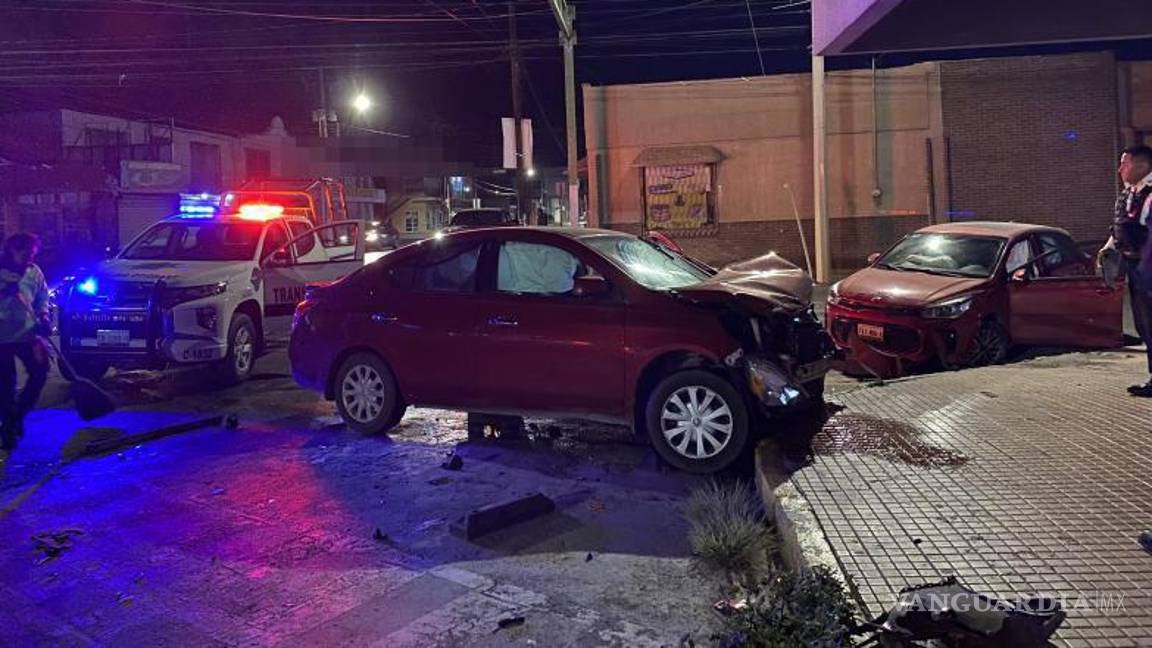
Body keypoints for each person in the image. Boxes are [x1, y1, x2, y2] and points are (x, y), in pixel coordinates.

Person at [1100, 146, 1152, 397]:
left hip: (1149, 265)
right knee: (1145, 324)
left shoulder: (1150, 194)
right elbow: (1120, 226)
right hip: (1135, 267)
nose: (1120, 169)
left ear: (1142, 166)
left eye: (1125, 163)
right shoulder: (1128, 194)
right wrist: (1108, 249)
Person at [0, 233, 51, 450]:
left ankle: (16, 417)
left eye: (32, 254)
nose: (29, 258)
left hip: (27, 334)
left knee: (40, 372)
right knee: (6, 385)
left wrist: (44, 317)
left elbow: (42, 298)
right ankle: (9, 428)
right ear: (12, 250)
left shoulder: (34, 272)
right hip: (1, 338)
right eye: (25, 253)